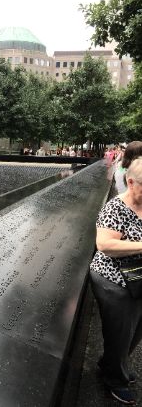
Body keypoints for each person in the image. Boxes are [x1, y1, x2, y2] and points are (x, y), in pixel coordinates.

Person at [93, 162, 142, 404]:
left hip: (138, 280)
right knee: (120, 334)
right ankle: (114, 379)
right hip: (116, 281)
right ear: (131, 182)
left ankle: (114, 363)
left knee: (134, 332)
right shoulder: (115, 208)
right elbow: (105, 245)